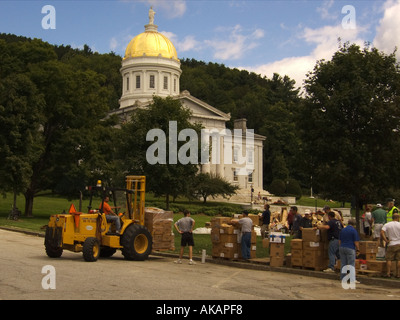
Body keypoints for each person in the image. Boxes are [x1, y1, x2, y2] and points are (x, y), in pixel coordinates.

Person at [339, 219, 360, 283]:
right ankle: (352, 279)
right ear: (354, 224)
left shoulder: (343, 230)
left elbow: (339, 240)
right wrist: (358, 249)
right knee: (351, 264)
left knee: (343, 263)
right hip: (350, 248)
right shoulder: (354, 231)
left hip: (342, 247)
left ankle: (342, 277)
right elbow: (356, 242)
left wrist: (340, 246)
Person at [381, 213, 400, 278]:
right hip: (399, 244)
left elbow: (382, 232)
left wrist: (385, 240)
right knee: (399, 259)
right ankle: (398, 274)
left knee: (389, 259)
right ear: (398, 218)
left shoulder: (387, 224)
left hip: (391, 243)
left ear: (392, 217)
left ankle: (388, 273)